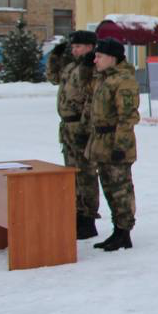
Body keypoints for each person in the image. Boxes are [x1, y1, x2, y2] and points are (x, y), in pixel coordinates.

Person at [85, 38, 141, 251]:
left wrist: (120, 146)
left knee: (120, 189)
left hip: (116, 142)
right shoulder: (104, 78)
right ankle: (117, 230)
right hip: (101, 142)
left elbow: (127, 117)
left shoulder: (123, 80)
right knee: (108, 187)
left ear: (112, 58)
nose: (95, 60)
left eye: (99, 56)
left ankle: (124, 232)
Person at [55, 29, 101, 239]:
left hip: (81, 127)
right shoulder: (72, 66)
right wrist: (56, 56)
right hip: (67, 127)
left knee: (86, 174)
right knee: (72, 173)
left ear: (90, 47)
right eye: (73, 47)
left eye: (78, 47)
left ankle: (88, 218)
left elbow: (91, 100)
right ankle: (76, 213)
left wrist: (85, 128)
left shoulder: (91, 67)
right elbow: (53, 77)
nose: (74, 50)